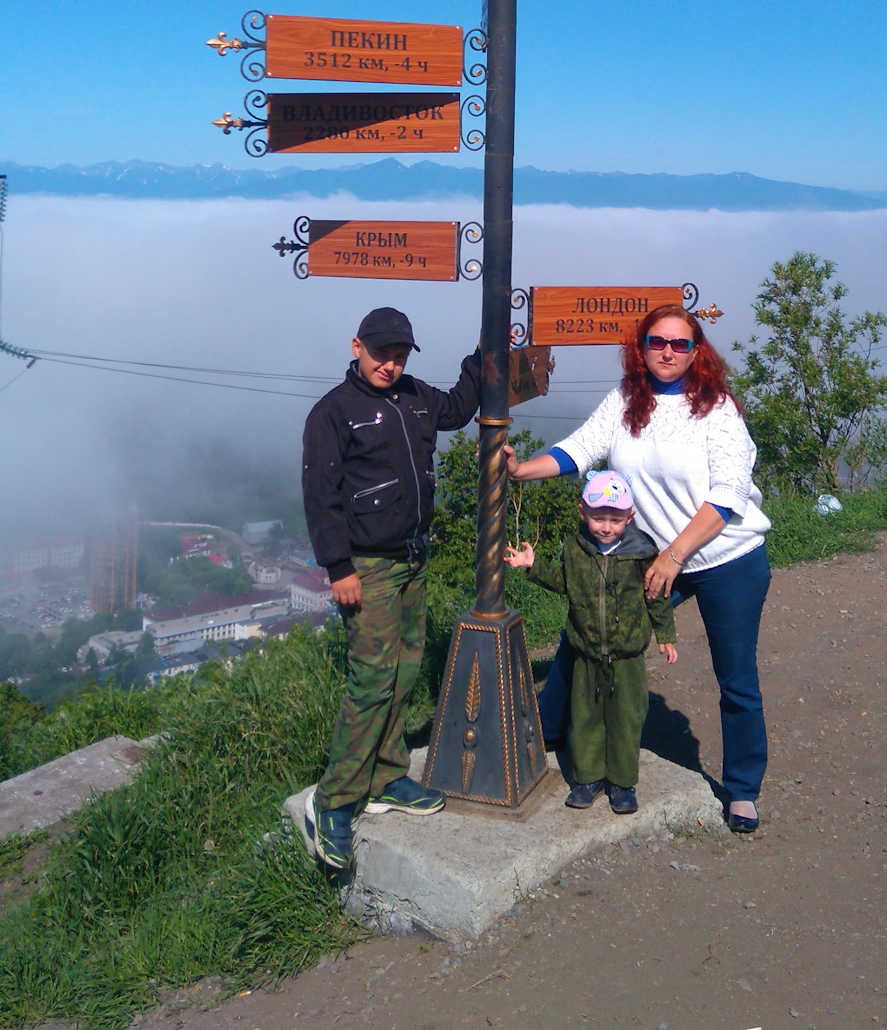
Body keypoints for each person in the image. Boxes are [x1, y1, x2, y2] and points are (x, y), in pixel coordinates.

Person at [504, 306, 771, 832]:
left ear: (698, 352)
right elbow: (581, 449)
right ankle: (551, 732)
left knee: (736, 677)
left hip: (724, 558)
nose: (668, 352)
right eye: (657, 342)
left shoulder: (717, 409)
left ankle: (742, 790)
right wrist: (519, 471)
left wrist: (675, 556)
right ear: (641, 347)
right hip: (649, 556)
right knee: (584, 631)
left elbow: (728, 495)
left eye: (680, 344)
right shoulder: (628, 400)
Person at [300, 305, 480, 869]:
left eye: (400, 354)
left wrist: (485, 353)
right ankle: (334, 801)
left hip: (412, 561)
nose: (391, 363)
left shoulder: (416, 396)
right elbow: (320, 497)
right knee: (372, 681)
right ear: (357, 347)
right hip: (368, 568)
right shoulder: (333, 412)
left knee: (404, 671)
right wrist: (339, 569)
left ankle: (386, 776)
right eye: (382, 353)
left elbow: (457, 408)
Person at [505, 470, 677, 815]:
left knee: (626, 719)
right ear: (583, 511)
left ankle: (622, 784)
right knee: (584, 718)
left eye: (615, 519)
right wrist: (533, 565)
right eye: (598, 517)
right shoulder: (576, 548)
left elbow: (655, 596)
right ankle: (587, 780)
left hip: (626, 656)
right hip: (585, 653)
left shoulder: (641, 551)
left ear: (629, 516)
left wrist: (666, 635)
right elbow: (564, 581)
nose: (606, 526)